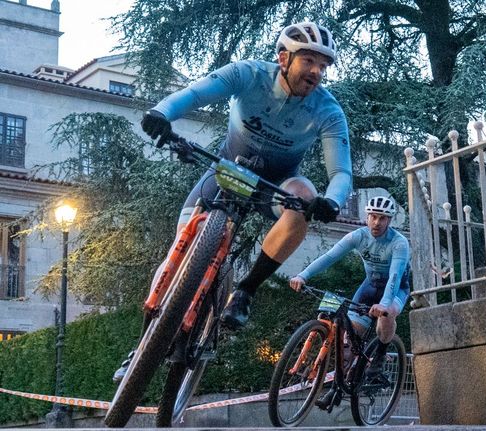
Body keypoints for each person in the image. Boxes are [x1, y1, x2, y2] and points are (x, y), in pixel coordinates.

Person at [113, 21, 352, 382]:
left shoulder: (328, 110)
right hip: (226, 172)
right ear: (284, 58)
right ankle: (144, 342)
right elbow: (195, 94)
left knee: (304, 194)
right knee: (176, 256)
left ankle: (245, 292)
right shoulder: (248, 74)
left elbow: (342, 173)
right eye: (309, 61)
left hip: (275, 185)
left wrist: (331, 201)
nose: (317, 71)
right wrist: (162, 113)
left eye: (324, 65)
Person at [289, 196, 410, 409]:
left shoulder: (399, 243)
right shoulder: (358, 236)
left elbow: (394, 276)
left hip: (396, 287)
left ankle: (380, 355)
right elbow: (329, 257)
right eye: (373, 216)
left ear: (389, 220)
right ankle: (337, 389)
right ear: (367, 216)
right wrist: (303, 275)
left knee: (387, 314)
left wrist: (383, 304)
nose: (377, 222)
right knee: (348, 344)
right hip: (369, 286)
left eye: (382, 218)